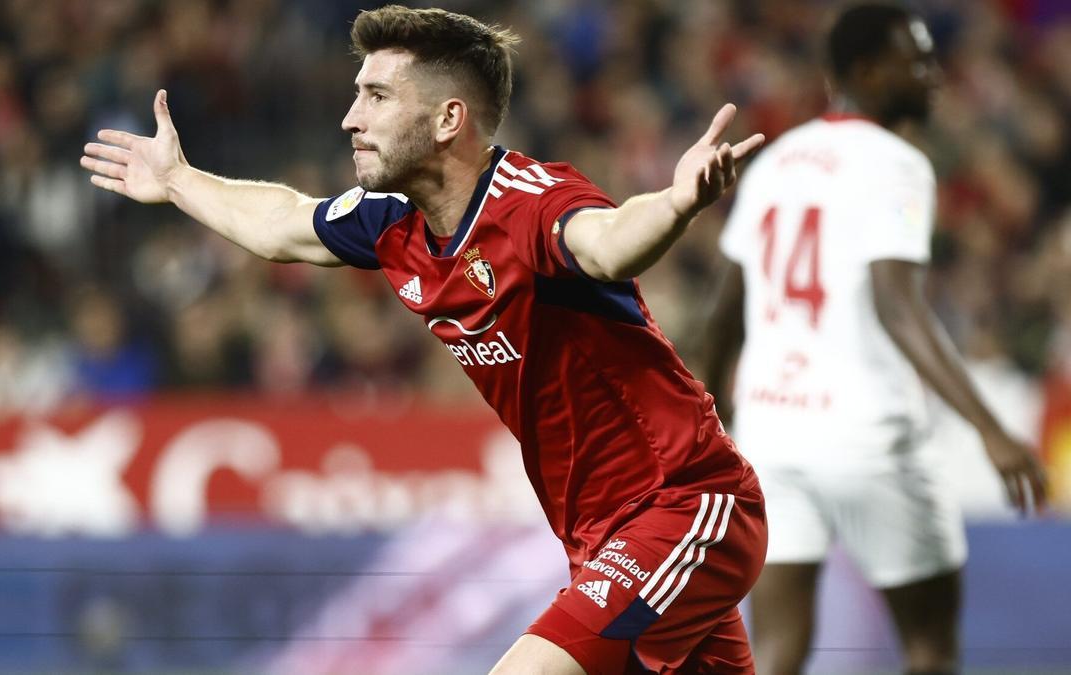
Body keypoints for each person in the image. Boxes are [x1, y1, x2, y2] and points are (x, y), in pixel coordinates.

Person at [81, 5, 767, 673]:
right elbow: (282, 222)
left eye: (376, 96)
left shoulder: (531, 203)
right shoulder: (391, 223)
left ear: (447, 119)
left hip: (684, 502)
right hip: (597, 533)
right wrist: (178, 181)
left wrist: (677, 204)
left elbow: (611, 242)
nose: (351, 117)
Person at [699, 4, 1048, 675]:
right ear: (864, 70)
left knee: (775, 653)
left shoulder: (778, 162)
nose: (933, 75)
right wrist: (990, 427)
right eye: (915, 59)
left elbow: (724, 315)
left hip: (774, 431)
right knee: (931, 649)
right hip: (867, 433)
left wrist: (711, 423)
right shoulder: (896, 163)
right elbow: (898, 303)